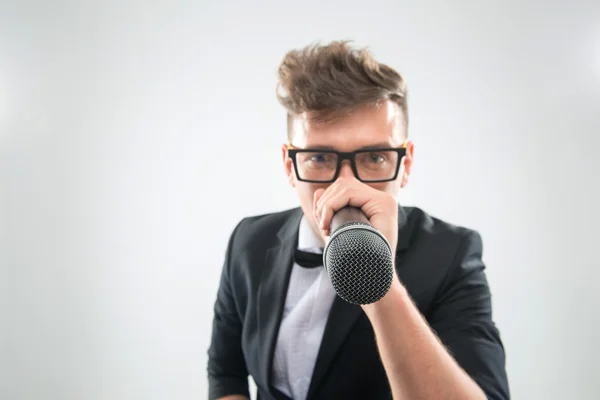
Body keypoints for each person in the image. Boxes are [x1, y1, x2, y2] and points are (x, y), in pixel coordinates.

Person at [207, 40, 509, 400]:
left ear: (405, 164)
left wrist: (377, 280)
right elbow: (226, 373)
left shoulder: (452, 253)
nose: (346, 186)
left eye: (375, 158)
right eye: (319, 158)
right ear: (290, 166)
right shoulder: (249, 240)